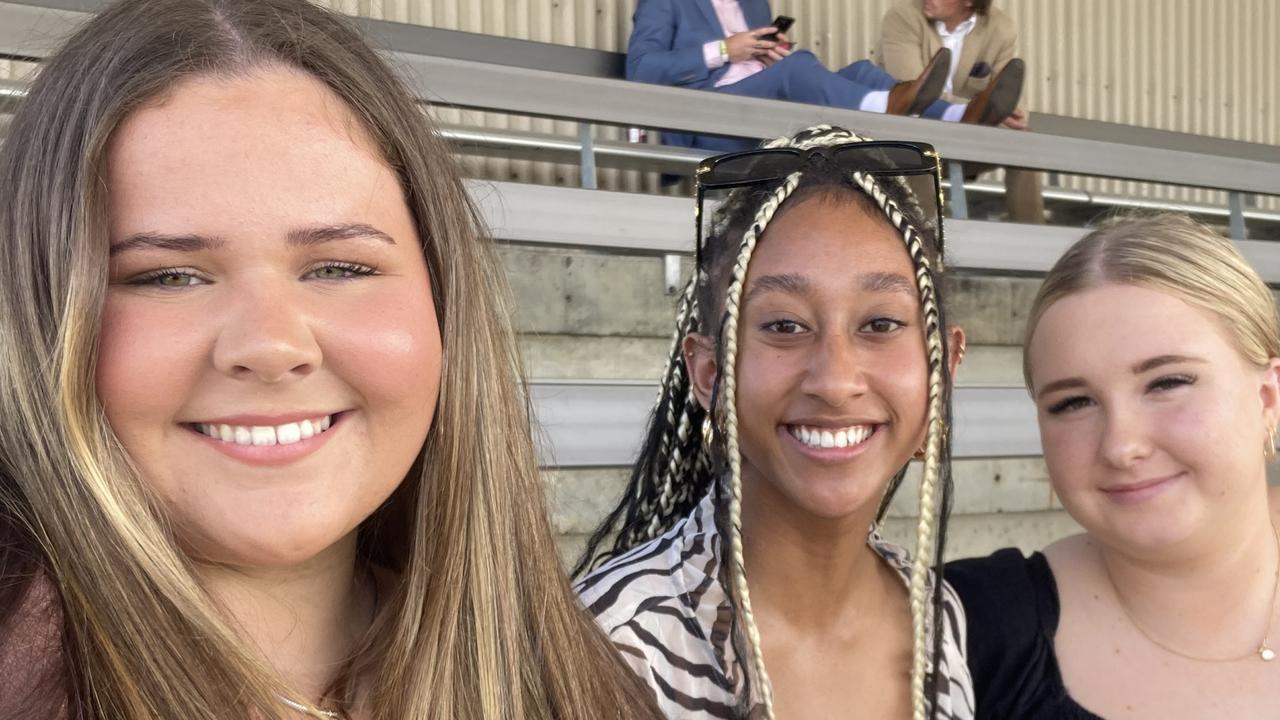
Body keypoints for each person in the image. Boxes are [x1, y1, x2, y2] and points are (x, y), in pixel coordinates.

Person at [0, 1, 663, 718]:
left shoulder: (572, 679)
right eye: (167, 276)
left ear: (442, 296)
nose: (272, 345)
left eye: (339, 268)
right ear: (39, 317)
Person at [575, 125, 974, 719]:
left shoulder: (936, 614)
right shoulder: (614, 647)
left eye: (881, 324)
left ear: (943, 367)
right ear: (710, 376)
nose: (836, 381)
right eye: (784, 326)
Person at [947, 214, 1280, 718]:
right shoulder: (962, 629)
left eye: (1166, 383)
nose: (1121, 447)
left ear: (1268, 396)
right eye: (1074, 403)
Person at [626, 0, 1025, 151]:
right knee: (798, 68)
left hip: (760, 107)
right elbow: (642, 68)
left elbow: (757, 62)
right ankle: (887, 108)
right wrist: (727, 50)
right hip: (707, 119)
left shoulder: (754, 4)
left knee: (863, 71)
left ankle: (960, 115)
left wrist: (765, 55)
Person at [878, 0, 1045, 223]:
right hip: (902, 144)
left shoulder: (1000, 29)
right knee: (919, 148)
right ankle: (926, 247)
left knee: (1024, 143)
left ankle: (1032, 236)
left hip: (962, 142)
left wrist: (1012, 113)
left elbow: (1006, 89)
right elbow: (913, 91)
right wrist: (973, 108)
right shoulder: (903, 16)